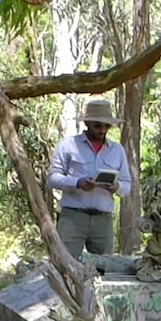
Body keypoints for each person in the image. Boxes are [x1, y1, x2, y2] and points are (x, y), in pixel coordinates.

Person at [47, 98, 133, 259]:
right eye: (97, 125)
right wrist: (78, 183)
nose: (102, 130)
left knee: (104, 268)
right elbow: (52, 179)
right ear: (87, 123)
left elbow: (127, 185)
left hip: (103, 219)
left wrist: (116, 187)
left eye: (107, 126)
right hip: (72, 217)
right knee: (65, 265)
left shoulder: (117, 150)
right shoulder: (68, 145)